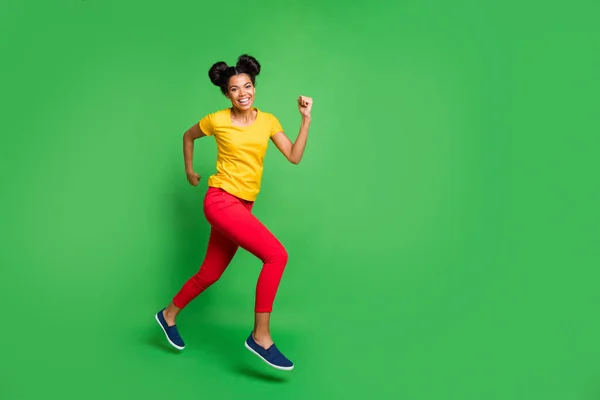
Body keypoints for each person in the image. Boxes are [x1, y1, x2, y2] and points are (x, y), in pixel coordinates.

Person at [155, 54, 312, 371]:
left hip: (243, 205)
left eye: (248, 86)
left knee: (210, 273)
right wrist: (189, 171)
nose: (243, 93)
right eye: (235, 88)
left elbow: (294, 156)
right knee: (276, 256)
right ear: (226, 93)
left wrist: (305, 119)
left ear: (254, 87)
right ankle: (261, 336)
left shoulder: (268, 121)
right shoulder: (217, 120)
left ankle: (168, 315)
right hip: (220, 201)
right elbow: (188, 136)